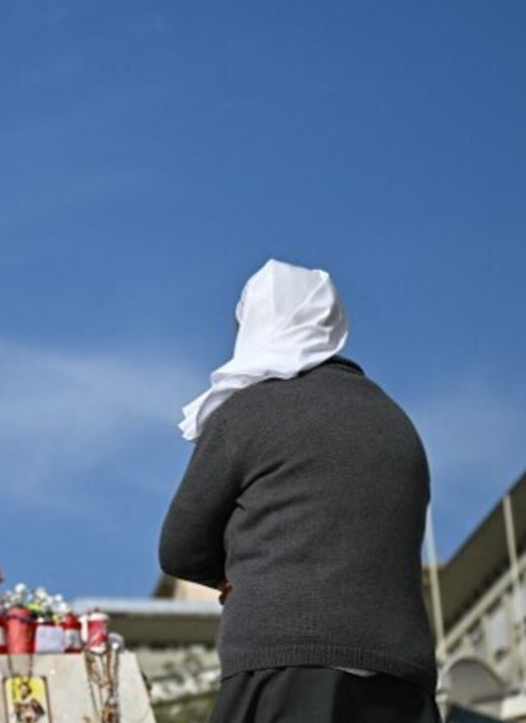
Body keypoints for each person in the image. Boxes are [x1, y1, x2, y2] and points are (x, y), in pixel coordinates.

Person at [159, 260, 440, 722]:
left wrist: (234, 576)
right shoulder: (397, 422)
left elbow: (179, 549)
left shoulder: (248, 412)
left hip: (285, 666)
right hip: (401, 679)